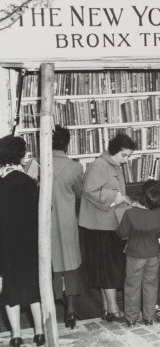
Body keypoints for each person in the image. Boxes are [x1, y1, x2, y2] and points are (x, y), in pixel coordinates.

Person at [79, 133, 135, 322]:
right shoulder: (99, 165)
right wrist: (115, 197)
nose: (127, 160)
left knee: (106, 267)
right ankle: (113, 309)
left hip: (109, 223)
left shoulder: (113, 165)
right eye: (124, 155)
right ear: (114, 151)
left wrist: (124, 200)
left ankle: (107, 308)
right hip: (100, 225)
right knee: (109, 267)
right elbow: (88, 191)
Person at [0, 136, 44, 347]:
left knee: (11, 288)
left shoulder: (1, 183)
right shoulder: (29, 181)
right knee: (34, 286)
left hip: (7, 245)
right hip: (30, 242)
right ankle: (40, 332)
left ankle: (16, 336)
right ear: (21, 155)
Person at [116, 180, 160, 326]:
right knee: (151, 284)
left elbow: (122, 233)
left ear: (142, 195)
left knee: (132, 286)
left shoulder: (130, 213)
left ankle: (131, 318)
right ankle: (149, 317)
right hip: (153, 253)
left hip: (135, 253)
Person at [51, 125, 84, 329]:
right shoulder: (75, 167)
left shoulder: (38, 165)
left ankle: (53, 306)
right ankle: (71, 310)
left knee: (52, 265)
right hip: (67, 220)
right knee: (71, 265)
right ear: (67, 144)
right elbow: (79, 194)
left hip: (46, 221)